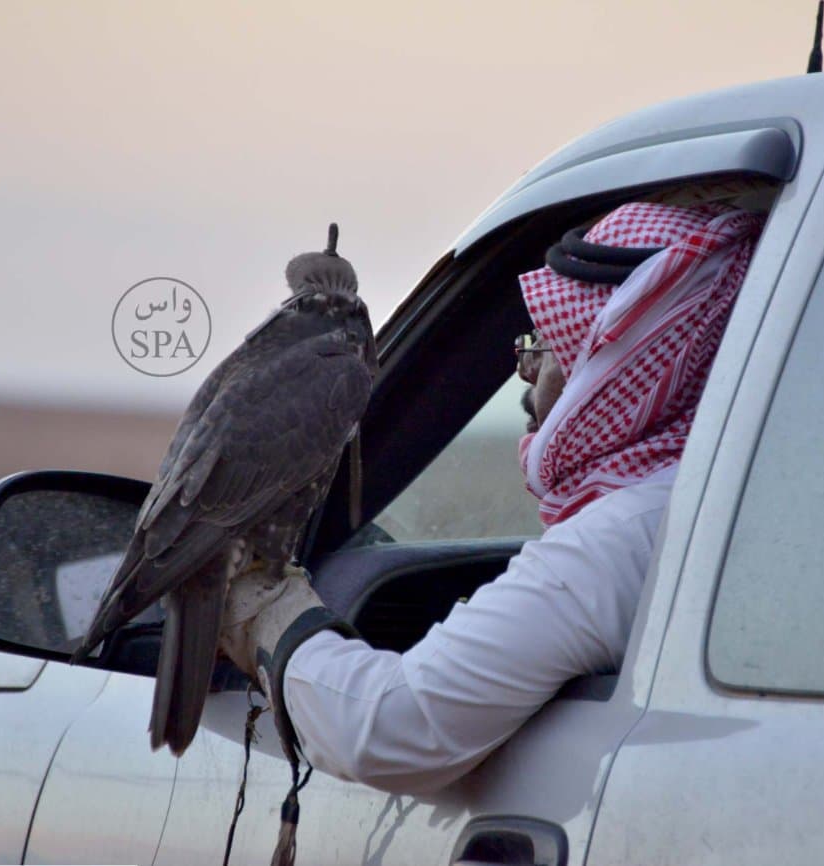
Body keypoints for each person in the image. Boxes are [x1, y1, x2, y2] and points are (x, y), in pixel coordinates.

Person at [219, 200, 766, 796]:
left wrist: (271, 618)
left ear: (621, 356)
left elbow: (393, 728)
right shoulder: (728, 502)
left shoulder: (621, 538)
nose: (527, 371)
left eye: (550, 343)